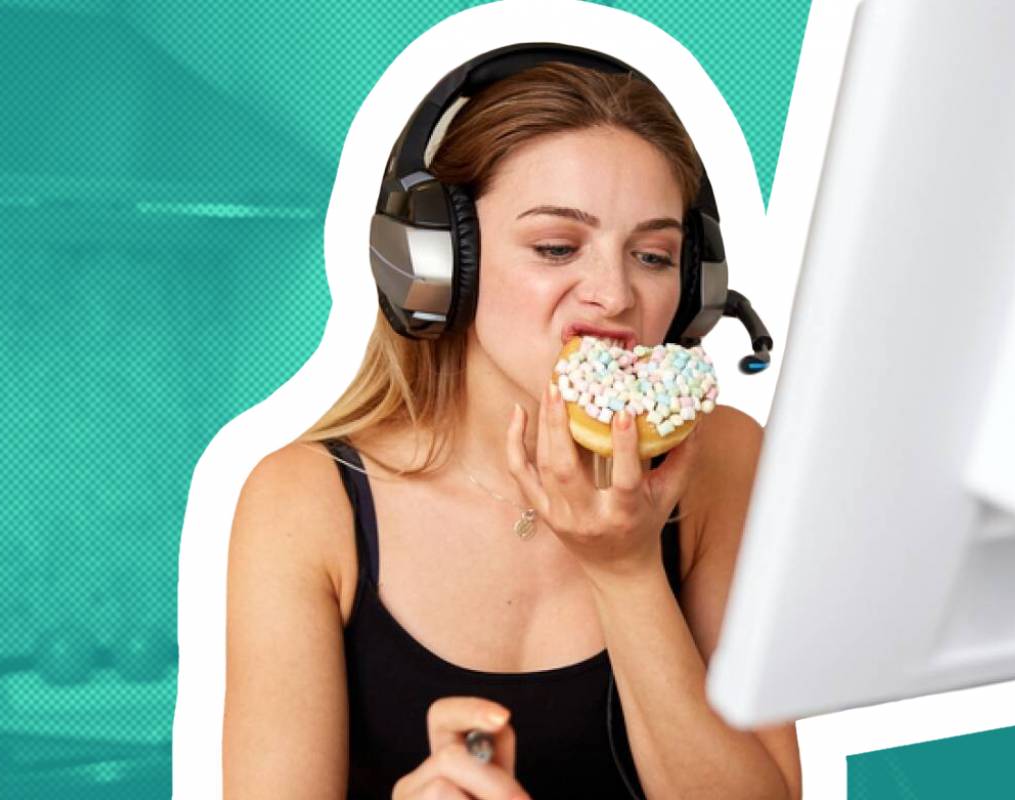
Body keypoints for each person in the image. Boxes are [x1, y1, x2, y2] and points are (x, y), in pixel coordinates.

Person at [223, 55, 801, 799]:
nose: (615, 294)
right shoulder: (303, 501)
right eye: (557, 247)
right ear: (436, 263)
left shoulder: (719, 458)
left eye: (653, 256)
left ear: (694, 290)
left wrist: (625, 570)